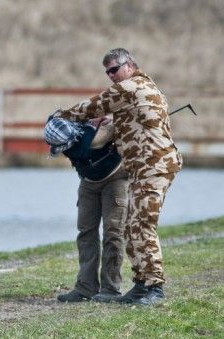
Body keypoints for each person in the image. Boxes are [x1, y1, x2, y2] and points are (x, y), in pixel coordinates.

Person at [55, 48, 182, 305]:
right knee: (134, 226)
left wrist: (62, 116)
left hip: (153, 167)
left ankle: (154, 288)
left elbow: (95, 104)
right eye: (107, 72)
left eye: (114, 69)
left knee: (142, 226)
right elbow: (117, 115)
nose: (111, 75)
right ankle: (140, 285)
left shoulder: (131, 87)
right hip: (142, 168)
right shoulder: (140, 90)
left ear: (130, 65)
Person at [44, 116, 128, 303]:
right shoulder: (74, 131)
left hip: (115, 179)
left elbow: (86, 145)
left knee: (113, 233)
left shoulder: (89, 136)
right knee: (86, 233)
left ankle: (110, 289)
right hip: (88, 183)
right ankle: (85, 288)